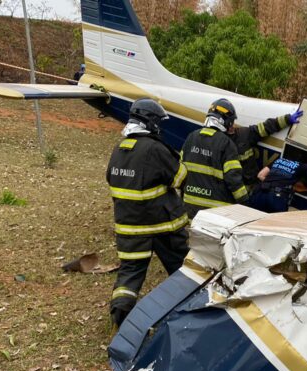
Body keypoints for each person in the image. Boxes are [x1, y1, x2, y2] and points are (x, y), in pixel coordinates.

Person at [106, 98, 189, 327]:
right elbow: (181, 178)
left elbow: (111, 179)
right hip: (162, 226)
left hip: (128, 228)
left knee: (130, 274)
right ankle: (190, 310)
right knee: (183, 269)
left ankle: (119, 316)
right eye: (158, 122)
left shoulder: (119, 148)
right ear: (150, 122)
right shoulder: (155, 148)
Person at [181, 98, 248, 218]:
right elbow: (233, 178)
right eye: (231, 122)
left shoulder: (191, 138)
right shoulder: (226, 144)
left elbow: (179, 170)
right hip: (215, 212)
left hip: (189, 208)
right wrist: (244, 201)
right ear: (225, 121)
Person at [247, 136, 307, 213]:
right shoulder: (300, 166)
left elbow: (260, 175)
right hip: (276, 198)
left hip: (260, 194)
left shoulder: (279, 161)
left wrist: (273, 183)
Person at [229, 109, 304, 189]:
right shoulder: (219, 144)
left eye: (232, 121)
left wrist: (287, 119)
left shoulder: (243, 134)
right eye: (229, 123)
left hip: (251, 185)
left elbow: (265, 128)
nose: (232, 125)